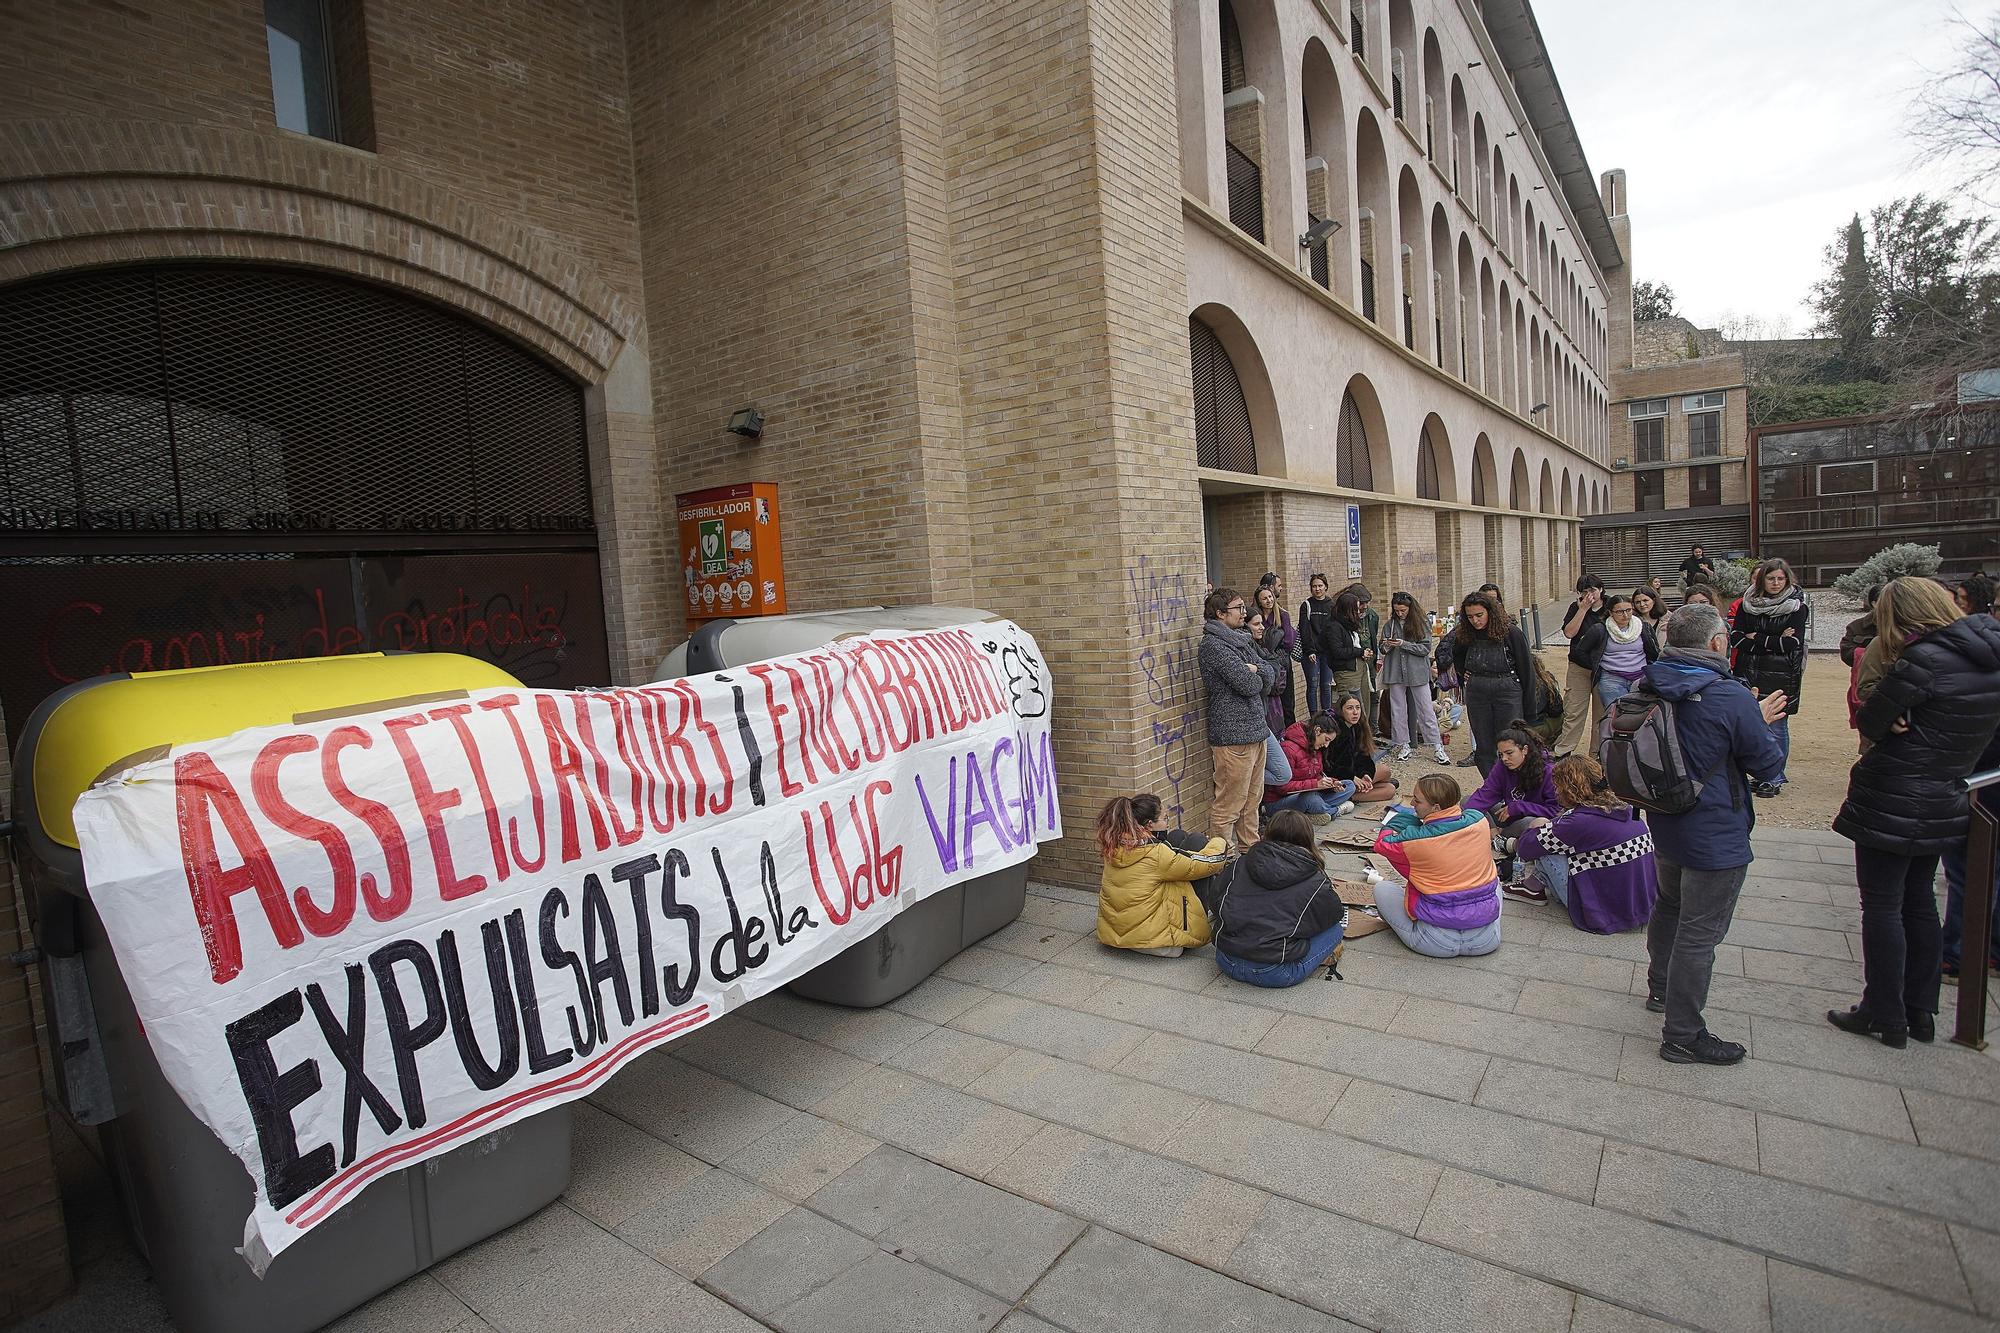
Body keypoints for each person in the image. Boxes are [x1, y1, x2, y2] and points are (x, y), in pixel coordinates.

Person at [1831, 577, 2000, 1046]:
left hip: (1896, 794)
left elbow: (1870, 719)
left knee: (1882, 905)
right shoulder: (1986, 661)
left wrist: (1897, 714)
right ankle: (1920, 1011)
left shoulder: (1923, 659)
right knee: (1921, 899)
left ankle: (1883, 1012)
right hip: (1947, 791)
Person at [1641, 602, 1788, 1065]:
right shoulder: (1729, 695)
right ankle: (1683, 1033)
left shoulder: (1646, 684)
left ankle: (1661, 989)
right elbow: (1766, 764)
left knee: (1670, 904)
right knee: (1699, 933)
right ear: (1718, 644)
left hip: (1664, 818)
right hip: (1715, 830)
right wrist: (1759, 720)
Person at [1512, 755, 1659, 933]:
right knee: (1562, 842)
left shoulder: (1580, 821)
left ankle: (1532, 887)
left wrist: (1537, 826)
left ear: (1570, 789)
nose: (1556, 792)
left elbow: (1526, 849)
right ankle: (1533, 885)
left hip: (1605, 913)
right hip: (1642, 905)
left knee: (1546, 846)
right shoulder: (1627, 807)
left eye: (1558, 787)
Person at [1371, 773, 1502, 958]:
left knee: (1382, 888)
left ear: (1436, 807)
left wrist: (1405, 819)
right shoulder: (1479, 821)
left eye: (1417, 801)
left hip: (1435, 940)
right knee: (1495, 882)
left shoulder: (1415, 840)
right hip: (1486, 939)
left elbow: (1382, 843)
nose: (1412, 804)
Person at [1211, 810, 1348, 986]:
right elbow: (1333, 913)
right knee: (1335, 930)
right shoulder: (1314, 878)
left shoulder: (1240, 863)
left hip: (1226, 959)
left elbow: (1214, 901)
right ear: (1307, 838)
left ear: (1267, 833)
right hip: (1274, 971)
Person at [1095, 794, 1231, 957]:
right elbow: (1208, 863)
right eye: (1164, 818)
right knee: (1197, 841)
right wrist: (1219, 841)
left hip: (1115, 934)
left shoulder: (1115, 843)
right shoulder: (1156, 854)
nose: (1167, 822)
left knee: (1177, 836)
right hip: (1157, 943)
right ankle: (1205, 916)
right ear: (1150, 824)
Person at [1199, 588, 1276, 851]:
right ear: (1220, 613)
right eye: (1238, 608)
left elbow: (1269, 672)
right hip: (1232, 735)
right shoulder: (1213, 645)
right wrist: (1257, 675)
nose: (1245, 613)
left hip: (1256, 729)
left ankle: (1250, 851)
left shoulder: (1241, 640)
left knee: (1252, 801)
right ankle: (1221, 859)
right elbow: (1247, 684)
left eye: (1244, 607)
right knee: (1229, 803)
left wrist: (1257, 671)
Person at [1731, 557, 1807, 799]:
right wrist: (1774, 639)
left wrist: (1758, 638)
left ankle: (1774, 776)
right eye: (1771, 578)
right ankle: (1760, 772)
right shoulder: (1746, 605)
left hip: (1780, 674)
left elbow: (1792, 643)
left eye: (1780, 579)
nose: (1775, 583)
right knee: (1750, 724)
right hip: (1748, 670)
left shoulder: (1797, 608)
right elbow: (1738, 639)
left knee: (1776, 725)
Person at [1463, 721, 1560, 900]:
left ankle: (1499, 839)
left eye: (1509, 753)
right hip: (1506, 816)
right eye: (1501, 754)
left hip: (1526, 820)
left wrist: (1519, 806)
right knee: (1467, 801)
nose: (1505, 759)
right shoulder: (1502, 767)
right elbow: (1486, 794)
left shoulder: (1548, 771)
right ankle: (1495, 837)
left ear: (1524, 750)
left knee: (1532, 823)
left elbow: (1555, 811)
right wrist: (1460, 818)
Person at [1451, 592, 1537, 776]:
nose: (1475, 620)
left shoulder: (1511, 633)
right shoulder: (1465, 634)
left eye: (1479, 615)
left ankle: (1515, 788)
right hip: (1477, 691)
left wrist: (1530, 710)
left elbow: (1527, 671)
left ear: (1490, 612)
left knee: (1511, 742)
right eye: (1470, 617)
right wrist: (1462, 671)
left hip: (1507, 689)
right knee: (1484, 745)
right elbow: (1454, 653)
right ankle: (1492, 787)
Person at [1381, 591, 1451, 764]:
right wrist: (1386, 645)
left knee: (1425, 708)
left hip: (1417, 671)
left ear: (1410, 608)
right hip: (1395, 671)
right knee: (1398, 709)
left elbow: (1425, 649)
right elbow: (1381, 649)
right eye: (1397, 610)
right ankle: (1403, 744)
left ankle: (1436, 745)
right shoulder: (1390, 625)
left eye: (1403, 610)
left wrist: (1403, 644)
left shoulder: (1421, 624)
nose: (1400, 613)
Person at [1572, 594, 1660, 714]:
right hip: (1612, 680)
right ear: (1610, 612)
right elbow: (1580, 651)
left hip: (1640, 678)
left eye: (1628, 610)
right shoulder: (1599, 629)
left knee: (1640, 716)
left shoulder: (1643, 627)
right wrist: (1597, 665)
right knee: (1616, 717)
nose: (1625, 615)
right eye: (1619, 611)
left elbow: (1653, 651)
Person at [1263, 713, 1358, 823]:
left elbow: (1317, 775)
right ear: (1317, 730)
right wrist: (1315, 784)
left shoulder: (1315, 747)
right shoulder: (1288, 748)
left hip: (1308, 794)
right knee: (1310, 798)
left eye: (1329, 742)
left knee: (1349, 785)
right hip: (1279, 801)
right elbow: (1282, 787)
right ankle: (1336, 810)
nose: (1326, 745)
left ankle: (1315, 811)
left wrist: (1332, 784)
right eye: (1326, 739)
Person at [1557, 575, 1610, 758]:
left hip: (1604, 667)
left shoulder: (1611, 606)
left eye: (1593, 591)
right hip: (1579, 666)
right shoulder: (1576, 607)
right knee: (1574, 710)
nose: (1590, 596)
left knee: (1601, 714)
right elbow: (1569, 633)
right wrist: (1583, 610)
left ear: (1601, 590)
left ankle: (1597, 754)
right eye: (1585, 592)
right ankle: (1563, 751)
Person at [1326, 692, 1399, 803]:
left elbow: (1363, 756)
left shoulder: (1357, 727)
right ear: (1341, 710)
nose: (1355, 712)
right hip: (1338, 778)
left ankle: (1360, 789)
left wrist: (1366, 774)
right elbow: (1330, 766)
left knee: (1386, 775)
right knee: (1389, 789)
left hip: (1353, 772)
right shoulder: (1336, 731)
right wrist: (1352, 777)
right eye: (1350, 708)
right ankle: (1348, 797)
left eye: (1358, 708)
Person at [1254, 578, 1298, 729]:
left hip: (1282, 664)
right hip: (1264, 663)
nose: (1269, 600)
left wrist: (1271, 649)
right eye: (1264, 598)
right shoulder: (1257, 617)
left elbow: (1289, 642)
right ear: (1259, 601)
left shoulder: (1282, 615)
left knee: (1287, 703)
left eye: (1270, 597)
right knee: (1270, 705)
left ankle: (1290, 736)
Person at [1298, 573, 1339, 717]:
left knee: (1326, 686)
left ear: (1326, 587)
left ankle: (1327, 715)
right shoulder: (1306, 605)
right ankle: (1314, 717)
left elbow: (1334, 630)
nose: (1317, 589)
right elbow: (1304, 629)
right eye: (1314, 586)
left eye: (1320, 586)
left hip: (1327, 653)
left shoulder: (1332, 605)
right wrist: (1310, 650)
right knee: (1312, 685)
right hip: (1311, 653)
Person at [1345, 583, 1382, 721]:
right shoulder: (1346, 618)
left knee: (1374, 695)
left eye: (1367, 603)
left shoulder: (1372, 616)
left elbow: (1373, 636)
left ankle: (1374, 726)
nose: (1365, 606)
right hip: (1355, 662)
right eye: (1362, 603)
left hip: (1370, 661)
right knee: (1358, 698)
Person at [1325, 590, 1370, 700]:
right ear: (1349, 610)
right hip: (1346, 670)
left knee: (1363, 705)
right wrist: (1359, 651)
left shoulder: (1350, 624)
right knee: (1352, 704)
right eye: (1357, 609)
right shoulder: (1334, 626)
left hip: (1358, 666)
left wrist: (1364, 651)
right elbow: (1338, 651)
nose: (1359, 612)